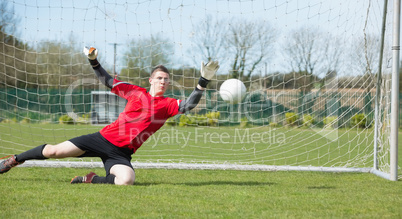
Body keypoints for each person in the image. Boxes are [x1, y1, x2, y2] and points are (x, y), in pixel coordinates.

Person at [0, 46, 219, 185]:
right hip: (102, 139)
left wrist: (203, 82)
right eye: (160, 78)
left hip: (121, 153)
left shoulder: (168, 104)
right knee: (54, 151)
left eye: (166, 79)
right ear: (151, 80)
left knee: (126, 181)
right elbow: (107, 81)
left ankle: (91, 179)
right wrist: (93, 61)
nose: (164, 81)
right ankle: (13, 160)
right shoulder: (135, 92)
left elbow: (188, 105)